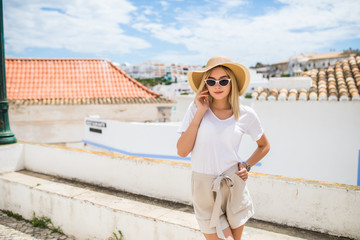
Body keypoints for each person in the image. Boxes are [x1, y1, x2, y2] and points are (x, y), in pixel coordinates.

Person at [176, 56, 270, 240]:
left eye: (223, 80)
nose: (217, 85)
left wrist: (247, 165)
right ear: (206, 85)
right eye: (211, 81)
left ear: (231, 83)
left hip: (233, 184)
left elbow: (264, 146)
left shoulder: (245, 114)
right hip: (204, 188)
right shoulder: (195, 109)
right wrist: (200, 114)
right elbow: (182, 151)